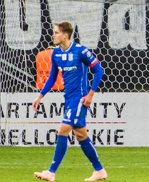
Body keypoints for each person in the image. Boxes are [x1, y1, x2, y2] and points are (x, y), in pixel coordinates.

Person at [32, 22, 107, 182]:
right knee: (81, 135)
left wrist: (90, 94)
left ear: (65, 35)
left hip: (80, 98)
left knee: (63, 130)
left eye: (56, 33)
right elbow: (52, 77)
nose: (53, 35)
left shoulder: (80, 51)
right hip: (68, 99)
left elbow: (99, 71)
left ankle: (51, 172)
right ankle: (99, 170)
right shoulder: (56, 53)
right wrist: (40, 96)